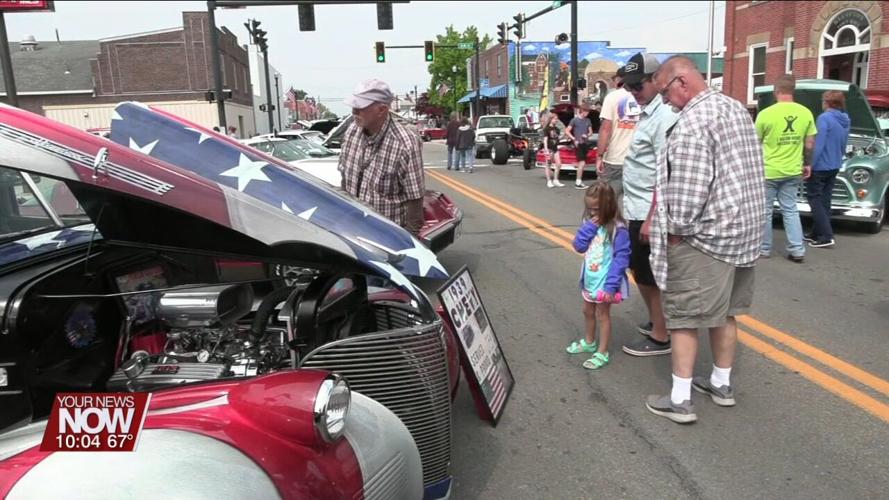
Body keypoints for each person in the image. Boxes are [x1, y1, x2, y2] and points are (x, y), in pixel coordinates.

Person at [644, 56, 765, 424]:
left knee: (684, 318)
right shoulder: (733, 107)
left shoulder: (693, 123)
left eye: (665, 92)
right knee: (725, 312)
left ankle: (680, 399)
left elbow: (686, 196)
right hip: (743, 233)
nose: (665, 101)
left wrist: (674, 233)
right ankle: (721, 383)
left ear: (681, 82)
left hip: (706, 238)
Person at [618, 52, 679, 357]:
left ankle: (661, 335)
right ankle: (659, 322)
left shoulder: (665, 117)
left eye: (637, 86)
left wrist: (653, 217)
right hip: (637, 207)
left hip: (648, 211)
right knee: (642, 271)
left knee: (646, 274)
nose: (632, 92)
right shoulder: (648, 113)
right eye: (628, 87)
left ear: (655, 81)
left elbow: (664, 172)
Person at [338, 78, 425, 235]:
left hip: (386, 236)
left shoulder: (405, 143)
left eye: (360, 107)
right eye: (354, 106)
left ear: (382, 110)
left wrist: (408, 245)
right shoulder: (352, 131)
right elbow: (345, 180)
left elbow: (415, 200)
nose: (354, 112)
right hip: (352, 229)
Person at [565, 182, 631, 370]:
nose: (593, 213)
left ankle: (602, 351)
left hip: (605, 282)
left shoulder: (618, 229)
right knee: (587, 311)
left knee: (603, 315)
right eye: (590, 209)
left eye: (597, 209)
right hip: (590, 278)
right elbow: (579, 246)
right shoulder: (589, 224)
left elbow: (621, 259)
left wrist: (611, 286)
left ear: (609, 206)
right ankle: (589, 341)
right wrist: (588, 229)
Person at [755, 74, 816, 263]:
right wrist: (806, 163)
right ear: (793, 91)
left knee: (765, 211)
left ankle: (764, 249)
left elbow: (755, 143)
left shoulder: (765, 114)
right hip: (792, 170)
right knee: (790, 209)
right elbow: (810, 142)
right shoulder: (805, 113)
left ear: (776, 91)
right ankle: (797, 250)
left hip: (768, 170)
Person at [805, 90, 850, 248]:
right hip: (835, 163)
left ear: (828, 102)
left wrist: (809, 164)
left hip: (821, 165)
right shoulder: (845, 119)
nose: (822, 102)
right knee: (825, 199)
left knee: (814, 199)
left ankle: (826, 236)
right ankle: (816, 233)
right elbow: (844, 143)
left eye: (823, 100)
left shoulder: (824, 118)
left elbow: (819, 144)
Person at [596, 63, 641, 204]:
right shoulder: (643, 96)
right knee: (634, 202)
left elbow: (605, 129)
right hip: (637, 158)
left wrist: (599, 155)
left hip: (615, 159)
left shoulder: (612, 97)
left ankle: (609, 225)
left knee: (607, 203)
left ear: (619, 79)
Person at [565, 103, 594, 189]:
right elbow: (567, 131)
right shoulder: (574, 120)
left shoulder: (588, 120)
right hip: (578, 144)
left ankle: (579, 181)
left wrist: (587, 135)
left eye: (588, 112)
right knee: (582, 163)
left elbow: (591, 132)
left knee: (583, 163)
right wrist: (574, 139)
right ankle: (578, 182)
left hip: (585, 143)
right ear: (582, 111)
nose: (588, 113)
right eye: (587, 111)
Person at [541, 113, 565, 188]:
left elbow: (557, 138)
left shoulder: (556, 129)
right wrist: (546, 149)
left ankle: (555, 180)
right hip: (549, 148)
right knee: (548, 165)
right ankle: (549, 181)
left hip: (555, 148)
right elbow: (545, 139)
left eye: (557, 119)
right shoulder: (546, 129)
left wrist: (563, 136)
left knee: (559, 164)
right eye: (555, 119)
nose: (556, 120)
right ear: (551, 119)